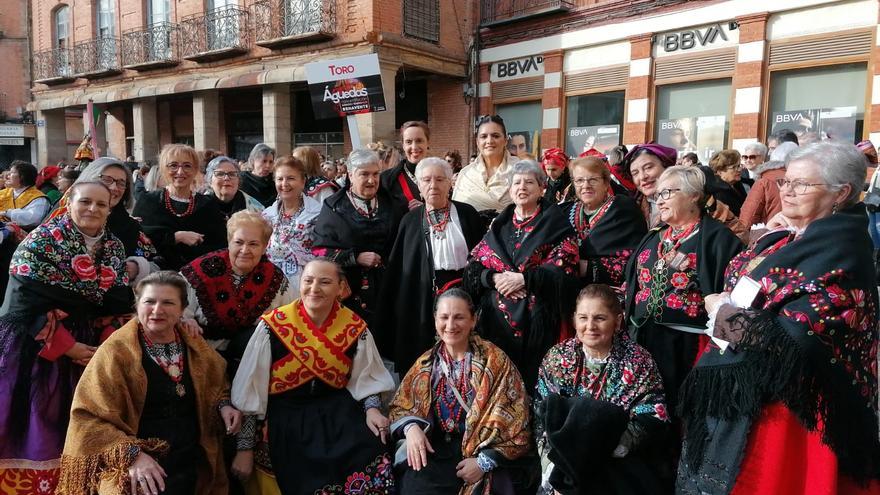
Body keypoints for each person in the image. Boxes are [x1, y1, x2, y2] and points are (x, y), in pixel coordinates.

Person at [677, 141, 880, 494]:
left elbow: (789, 336)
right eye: (786, 181)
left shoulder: (840, 247)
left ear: (841, 193)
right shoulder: (792, 236)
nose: (786, 191)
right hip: (757, 394)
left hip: (795, 412)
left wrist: (719, 311)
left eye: (801, 184)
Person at [0, 181, 134, 492]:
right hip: (33, 349)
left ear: (110, 208)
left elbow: (116, 300)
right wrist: (68, 347)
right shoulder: (40, 243)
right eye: (85, 201)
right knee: (36, 427)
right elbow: (20, 306)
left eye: (101, 204)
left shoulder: (113, 247)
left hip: (89, 346)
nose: (92, 209)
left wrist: (104, 342)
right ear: (68, 202)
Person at [57, 271, 241, 495]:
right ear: (137, 305)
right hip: (137, 474)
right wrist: (132, 455)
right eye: (149, 301)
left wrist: (224, 405)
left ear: (182, 309)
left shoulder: (195, 346)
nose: (157, 310)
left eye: (168, 302)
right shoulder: (116, 353)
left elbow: (217, 384)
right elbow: (88, 418)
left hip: (190, 466)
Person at [231, 259, 396, 494]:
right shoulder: (273, 326)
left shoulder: (354, 327)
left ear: (341, 288)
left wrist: (372, 409)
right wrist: (244, 448)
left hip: (338, 411)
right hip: (285, 415)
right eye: (308, 281)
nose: (314, 288)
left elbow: (366, 379)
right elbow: (251, 390)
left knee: (371, 453)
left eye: (325, 282)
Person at [388, 289, 533, 494]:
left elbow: (518, 425)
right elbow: (400, 406)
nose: (450, 325)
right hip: (434, 451)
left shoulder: (496, 362)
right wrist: (411, 429)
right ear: (435, 319)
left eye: (459, 317)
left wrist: (483, 463)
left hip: (480, 453)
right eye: (444, 317)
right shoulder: (426, 363)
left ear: (473, 320)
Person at [624, 165, 743, 412]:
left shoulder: (719, 239)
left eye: (667, 192)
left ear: (694, 195)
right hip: (645, 335)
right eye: (658, 195)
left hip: (688, 342)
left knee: (682, 406)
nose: (660, 200)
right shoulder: (655, 235)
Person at [534, 285, 668, 495]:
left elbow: (653, 414)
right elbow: (542, 413)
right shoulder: (557, 357)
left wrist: (600, 447)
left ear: (618, 320)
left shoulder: (638, 361)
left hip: (615, 463)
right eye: (583, 318)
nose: (590, 326)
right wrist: (558, 467)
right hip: (562, 464)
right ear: (574, 320)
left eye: (600, 318)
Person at [463, 160, 579, 389]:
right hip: (496, 322)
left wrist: (525, 279)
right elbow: (474, 266)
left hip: (537, 322)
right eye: (516, 182)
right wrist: (494, 279)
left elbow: (566, 265)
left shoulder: (554, 223)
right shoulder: (499, 224)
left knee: (530, 383)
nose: (522, 187)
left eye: (529, 182)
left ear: (542, 188)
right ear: (510, 189)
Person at [375, 157, 485, 374]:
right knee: (424, 353)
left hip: (464, 291)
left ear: (450, 183)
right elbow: (401, 268)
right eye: (426, 180)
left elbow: (483, 256)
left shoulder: (467, 214)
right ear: (418, 185)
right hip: (423, 294)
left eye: (440, 179)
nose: (433, 185)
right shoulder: (410, 220)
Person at [312, 149, 405, 324]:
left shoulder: (393, 204)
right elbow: (320, 250)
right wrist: (355, 257)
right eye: (364, 174)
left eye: (376, 174)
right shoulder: (334, 207)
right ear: (350, 175)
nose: (372, 180)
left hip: (389, 289)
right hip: (349, 293)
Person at [54, 157, 159, 285]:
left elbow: (157, 263)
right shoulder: (57, 224)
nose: (114, 187)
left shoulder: (129, 226)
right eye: (106, 180)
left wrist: (137, 267)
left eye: (121, 183)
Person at [133, 144, 227, 270]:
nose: (180, 171)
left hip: (199, 276)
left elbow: (219, 245)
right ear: (163, 169)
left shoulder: (207, 204)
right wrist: (175, 237)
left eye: (187, 166)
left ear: (195, 170)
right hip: (158, 279)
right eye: (173, 165)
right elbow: (139, 241)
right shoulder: (148, 201)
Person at [625, 143, 748, 240]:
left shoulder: (701, 199)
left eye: (648, 167)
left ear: (666, 166)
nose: (642, 177)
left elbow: (739, 235)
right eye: (635, 173)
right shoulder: (634, 206)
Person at [560, 156, 647, 288]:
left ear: (606, 183)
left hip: (609, 294)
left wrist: (587, 267)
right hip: (571, 291)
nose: (585, 186)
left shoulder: (623, 209)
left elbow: (636, 261)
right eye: (579, 180)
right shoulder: (566, 211)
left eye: (593, 180)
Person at [262, 156, 322, 293]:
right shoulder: (267, 215)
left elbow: (324, 254)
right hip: (270, 284)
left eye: (291, 178)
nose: (284, 183)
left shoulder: (318, 213)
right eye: (280, 179)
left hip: (305, 285)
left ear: (302, 182)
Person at [453, 115, 516, 216]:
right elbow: (457, 213)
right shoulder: (466, 174)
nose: (489, 141)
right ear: (477, 142)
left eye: (495, 136)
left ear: (505, 140)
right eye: (484, 136)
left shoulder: (521, 170)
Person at [739, 141, 798, 228]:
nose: (748, 160)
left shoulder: (764, 181)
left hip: (771, 236)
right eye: (745, 157)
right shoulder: (804, 181)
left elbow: (747, 219)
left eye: (752, 157)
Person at [381, 121, 430, 212]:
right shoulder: (386, 180)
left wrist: (427, 210)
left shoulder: (442, 176)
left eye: (419, 141)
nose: (414, 147)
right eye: (408, 142)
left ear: (428, 143)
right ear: (403, 145)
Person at [204, 155, 265, 221]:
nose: (226, 178)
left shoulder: (256, 210)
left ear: (238, 180)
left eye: (232, 174)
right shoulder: (199, 207)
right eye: (220, 174)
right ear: (210, 181)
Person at [0, 161, 50, 230]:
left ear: (22, 176)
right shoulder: (3, 193)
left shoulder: (38, 198)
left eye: (12, 173)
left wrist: (7, 213)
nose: (7, 176)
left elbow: (33, 219)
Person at [708, 149, 747, 215]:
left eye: (739, 166)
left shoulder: (736, 184)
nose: (740, 169)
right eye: (734, 167)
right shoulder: (718, 193)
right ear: (720, 171)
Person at [239, 143, 277, 207]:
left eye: (271, 162)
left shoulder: (275, 180)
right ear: (253, 161)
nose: (268, 166)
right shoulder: (242, 180)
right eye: (264, 161)